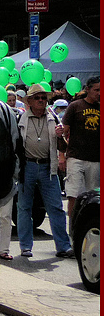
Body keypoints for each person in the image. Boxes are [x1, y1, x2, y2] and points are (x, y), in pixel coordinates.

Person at [16, 83, 73, 258]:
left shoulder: (53, 118)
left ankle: (63, 246)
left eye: (44, 98)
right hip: (28, 166)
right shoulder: (21, 119)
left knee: (55, 207)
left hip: (49, 167)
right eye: (38, 98)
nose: (42, 101)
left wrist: (59, 136)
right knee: (24, 207)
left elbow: (63, 146)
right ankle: (25, 246)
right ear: (30, 101)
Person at [59, 76, 100, 222]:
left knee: (93, 198)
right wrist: (62, 156)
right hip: (76, 157)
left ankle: (89, 225)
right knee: (74, 194)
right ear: (87, 89)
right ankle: (73, 227)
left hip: (96, 159)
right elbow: (63, 133)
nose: (99, 93)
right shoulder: (75, 106)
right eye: (96, 90)